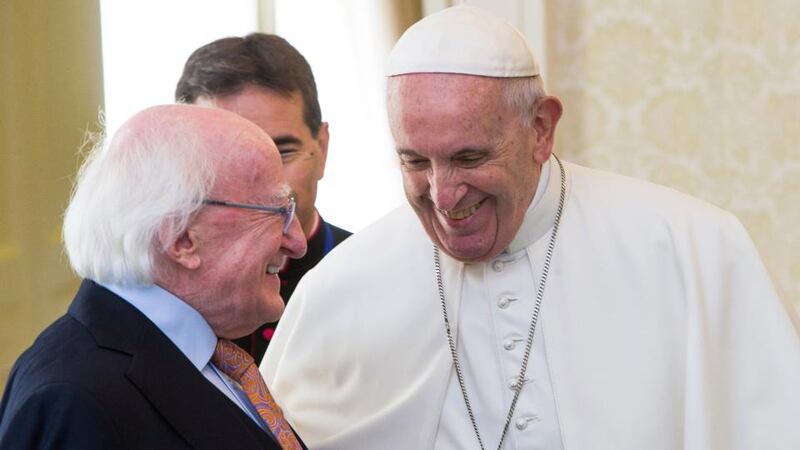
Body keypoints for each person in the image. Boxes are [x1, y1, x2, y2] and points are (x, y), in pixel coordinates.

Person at [260, 5, 800, 450]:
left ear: (541, 129)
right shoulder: (343, 288)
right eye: (415, 163)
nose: (444, 196)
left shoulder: (690, 248)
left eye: (469, 157)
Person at [0, 104, 308, 449]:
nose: (297, 242)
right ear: (182, 239)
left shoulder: (199, 354)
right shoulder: (75, 400)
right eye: (277, 212)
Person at [175, 33, 351, 365]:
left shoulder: (381, 278)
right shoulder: (164, 296)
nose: (262, 189)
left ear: (322, 149)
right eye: (227, 159)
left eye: (283, 151)